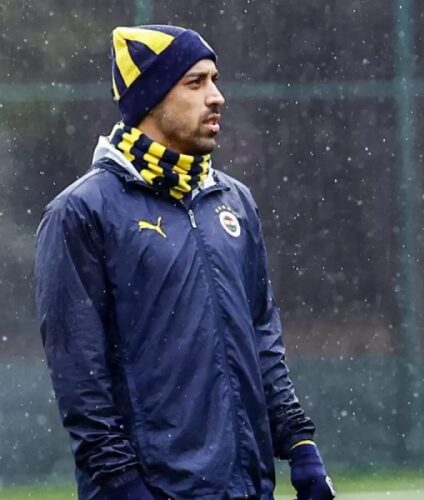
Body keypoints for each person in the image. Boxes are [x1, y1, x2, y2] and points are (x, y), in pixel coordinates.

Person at [35, 25, 335, 500]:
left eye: (214, 80)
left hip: (248, 487)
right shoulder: (80, 212)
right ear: (150, 100)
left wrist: (299, 442)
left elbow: (262, 335)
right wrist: (123, 484)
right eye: (195, 83)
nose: (216, 97)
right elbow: (80, 377)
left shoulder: (234, 201)